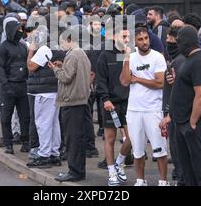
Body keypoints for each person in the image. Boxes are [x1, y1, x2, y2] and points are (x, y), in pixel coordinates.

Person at [160, 25, 201, 186]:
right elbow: (187, 90)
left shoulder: (199, 61)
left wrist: (192, 122)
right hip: (181, 122)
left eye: (178, 42)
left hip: (191, 125)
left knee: (199, 165)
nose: (176, 45)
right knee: (187, 166)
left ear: (186, 42)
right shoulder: (189, 60)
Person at [120, 27, 169, 186]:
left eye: (146, 38)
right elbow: (125, 81)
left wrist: (138, 79)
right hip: (134, 110)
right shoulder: (131, 57)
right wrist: (126, 58)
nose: (144, 42)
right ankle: (140, 180)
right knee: (137, 150)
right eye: (140, 39)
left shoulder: (157, 57)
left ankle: (163, 181)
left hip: (153, 109)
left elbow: (159, 83)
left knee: (159, 149)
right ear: (135, 42)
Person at [50, 27, 92, 182]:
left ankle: (74, 171)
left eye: (62, 42)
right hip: (80, 100)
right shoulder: (81, 54)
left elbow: (66, 77)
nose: (61, 46)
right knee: (78, 139)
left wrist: (55, 69)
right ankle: (78, 170)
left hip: (71, 101)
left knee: (72, 139)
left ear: (69, 40)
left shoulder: (73, 54)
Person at [96, 16, 132, 186]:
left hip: (129, 102)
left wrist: (127, 57)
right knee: (110, 138)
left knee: (132, 138)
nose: (126, 40)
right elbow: (100, 80)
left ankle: (119, 163)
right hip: (111, 102)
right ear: (115, 36)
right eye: (123, 36)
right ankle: (111, 172)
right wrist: (105, 99)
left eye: (127, 37)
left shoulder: (131, 54)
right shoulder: (105, 54)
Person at [26, 23, 64, 169]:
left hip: (44, 92)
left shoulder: (44, 49)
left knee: (43, 124)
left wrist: (31, 51)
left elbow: (30, 67)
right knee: (54, 124)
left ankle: (44, 155)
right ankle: (54, 154)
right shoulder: (59, 48)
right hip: (55, 90)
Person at [0, 17, 30, 154]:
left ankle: (25, 141)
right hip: (8, 87)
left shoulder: (23, 47)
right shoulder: (2, 48)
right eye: (17, 29)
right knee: (5, 117)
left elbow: (27, 66)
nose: (20, 31)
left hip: (22, 86)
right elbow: (0, 69)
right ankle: (8, 143)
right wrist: (5, 86)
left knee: (25, 117)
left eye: (20, 29)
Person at [161, 25, 185, 184]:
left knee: (179, 151)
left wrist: (169, 114)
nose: (168, 43)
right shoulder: (173, 60)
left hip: (177, 114)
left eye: (171, 40)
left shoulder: (181, 61)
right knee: (176, 151)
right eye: (167, 39)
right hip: (172, 112)